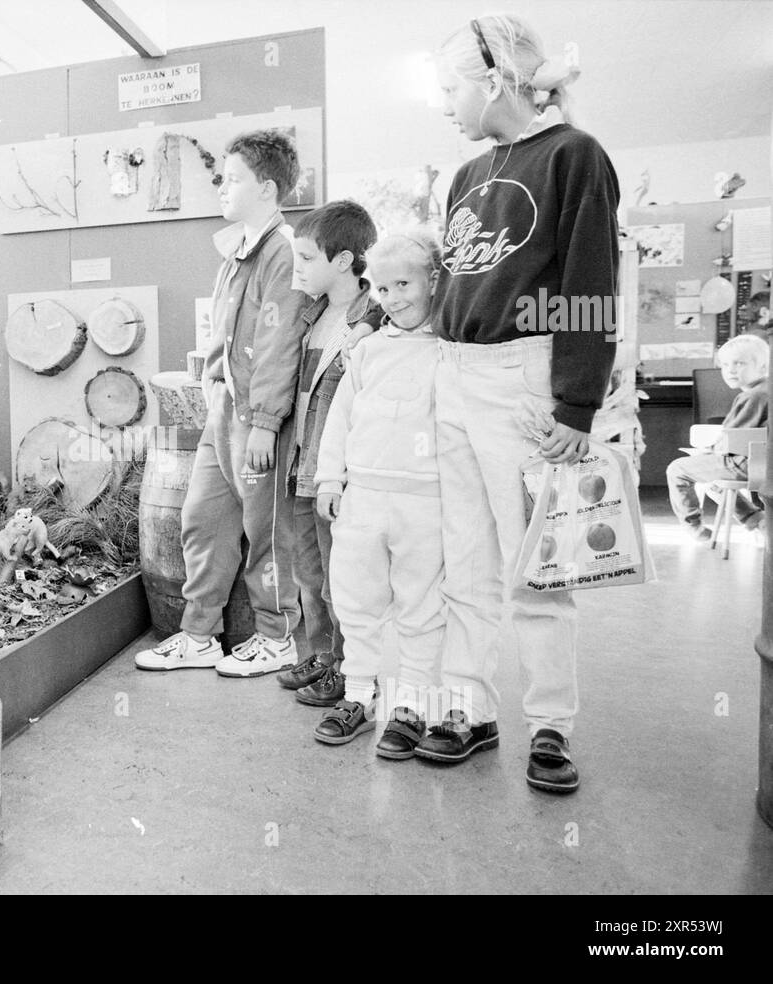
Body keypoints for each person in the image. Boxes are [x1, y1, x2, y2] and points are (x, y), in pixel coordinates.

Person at [423, 14, 620, 794]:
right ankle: (469, 709)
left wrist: (576, 403)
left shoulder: (574, 156)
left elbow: (589, 283)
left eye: (450, 88)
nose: (444, 104)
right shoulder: (467, 176)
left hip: (523, 375)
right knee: (464, 559)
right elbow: (457, 280)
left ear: (495, 77)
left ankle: (551, 726)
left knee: (540, 568)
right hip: (455, 372)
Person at [134, 129, 310, 677]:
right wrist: (213, 388)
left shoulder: (283, 252)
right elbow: (222, 335)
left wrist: (263, 424)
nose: (221, 188)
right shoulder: (236, 250)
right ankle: (199, 637)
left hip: (260, 421)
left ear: (266, 187)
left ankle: (277, 638)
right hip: (225, 412)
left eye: (232, 179)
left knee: (267, 533)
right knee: (201, 520)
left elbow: (280, 346)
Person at [310, 230, 445, 756]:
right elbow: (339, 418)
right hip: (363, 497)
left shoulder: (450, 350)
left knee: (421, 605)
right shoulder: (365, 351)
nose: (392, 298)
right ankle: (361, 695)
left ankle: (411, 703)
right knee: (355, 600)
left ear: (434, 281)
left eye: (404, 284)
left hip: (425, 501)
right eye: (381, 288)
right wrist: (329, 478)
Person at [275, 200, 381, 705]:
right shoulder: (312, 312)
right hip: (303, 464)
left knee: (343, 577)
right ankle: (321, 656)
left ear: (343, 261)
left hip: (335, 471)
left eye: (306, 258)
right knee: (309, 573)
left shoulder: (372, 319)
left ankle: (350, 666)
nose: (297, 268)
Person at [665, 334, 769, 540]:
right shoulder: (767, 389)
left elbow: (732, 440)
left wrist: (709, 451)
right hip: (763, 463)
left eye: (739, 363)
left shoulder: (753, 396)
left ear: (763, 365)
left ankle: (694, 528)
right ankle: (756, 520)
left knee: (677, 470)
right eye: (724, 365)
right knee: (711, 480)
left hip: (749, 464)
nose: (730, 370)